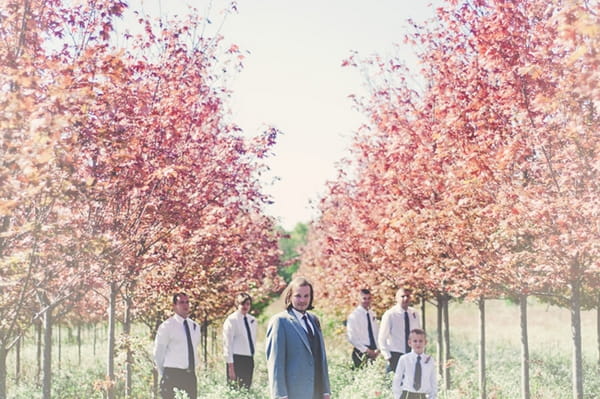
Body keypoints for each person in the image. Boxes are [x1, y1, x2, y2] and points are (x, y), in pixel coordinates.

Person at [265, 277, 331, 399]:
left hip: (317, 391)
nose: (302, 300)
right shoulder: (280, 321)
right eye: (298, 296)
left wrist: (326, 391)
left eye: (306, 296)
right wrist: (280, 395)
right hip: (294, 393)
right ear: (290, 296)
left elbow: (322, 358)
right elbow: (275, 363)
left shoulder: (314, 320)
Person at [153, 293, 201, 399]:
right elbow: (158, 353)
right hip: (172, 374)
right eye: (181, 302)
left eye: (187, 302)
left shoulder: (195, 327)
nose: (185, 305)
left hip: (190, 376)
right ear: (174, 306)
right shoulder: (167, 326)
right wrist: (164, 373)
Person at [378, 288, 421, 373]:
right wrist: (388, 357)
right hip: (395, 355)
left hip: (412, 355)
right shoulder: (390, 315)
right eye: (402, 296)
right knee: (394, 384)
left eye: (408, 296)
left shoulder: (414, 313)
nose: (405, 298)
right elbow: (382, 338)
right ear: (396, 298)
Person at [222, 292, 257, 389]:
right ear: (237, 304)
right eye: (242, 303)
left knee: (246, 391)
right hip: (236, 360)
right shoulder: (231, 320)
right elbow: (227, 345)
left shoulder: (252, 320)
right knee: (235, 390)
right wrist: (231, 368)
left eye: (248, 304)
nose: (245, 306)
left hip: (249, 359)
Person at [392, 328, 437, 399]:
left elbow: (433, 380)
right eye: (415, 341)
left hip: (422, 396)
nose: (418, 344)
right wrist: (397, 396)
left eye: (421, 341)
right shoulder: (404, 359)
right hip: (407, 395)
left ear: (425, 342)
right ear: (409, 343)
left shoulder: (430, 360)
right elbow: (397, 379)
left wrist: (433, 397)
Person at [346, 288, 380, 368]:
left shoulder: (372, 314)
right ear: (359, 299)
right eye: (364, 298)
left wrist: (377, 349)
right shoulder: (354, 316)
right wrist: (366, 350)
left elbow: (376, 332)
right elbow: (351, 337)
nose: (367, 301)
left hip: (374, 351)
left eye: (369, 298)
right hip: (361, 352)